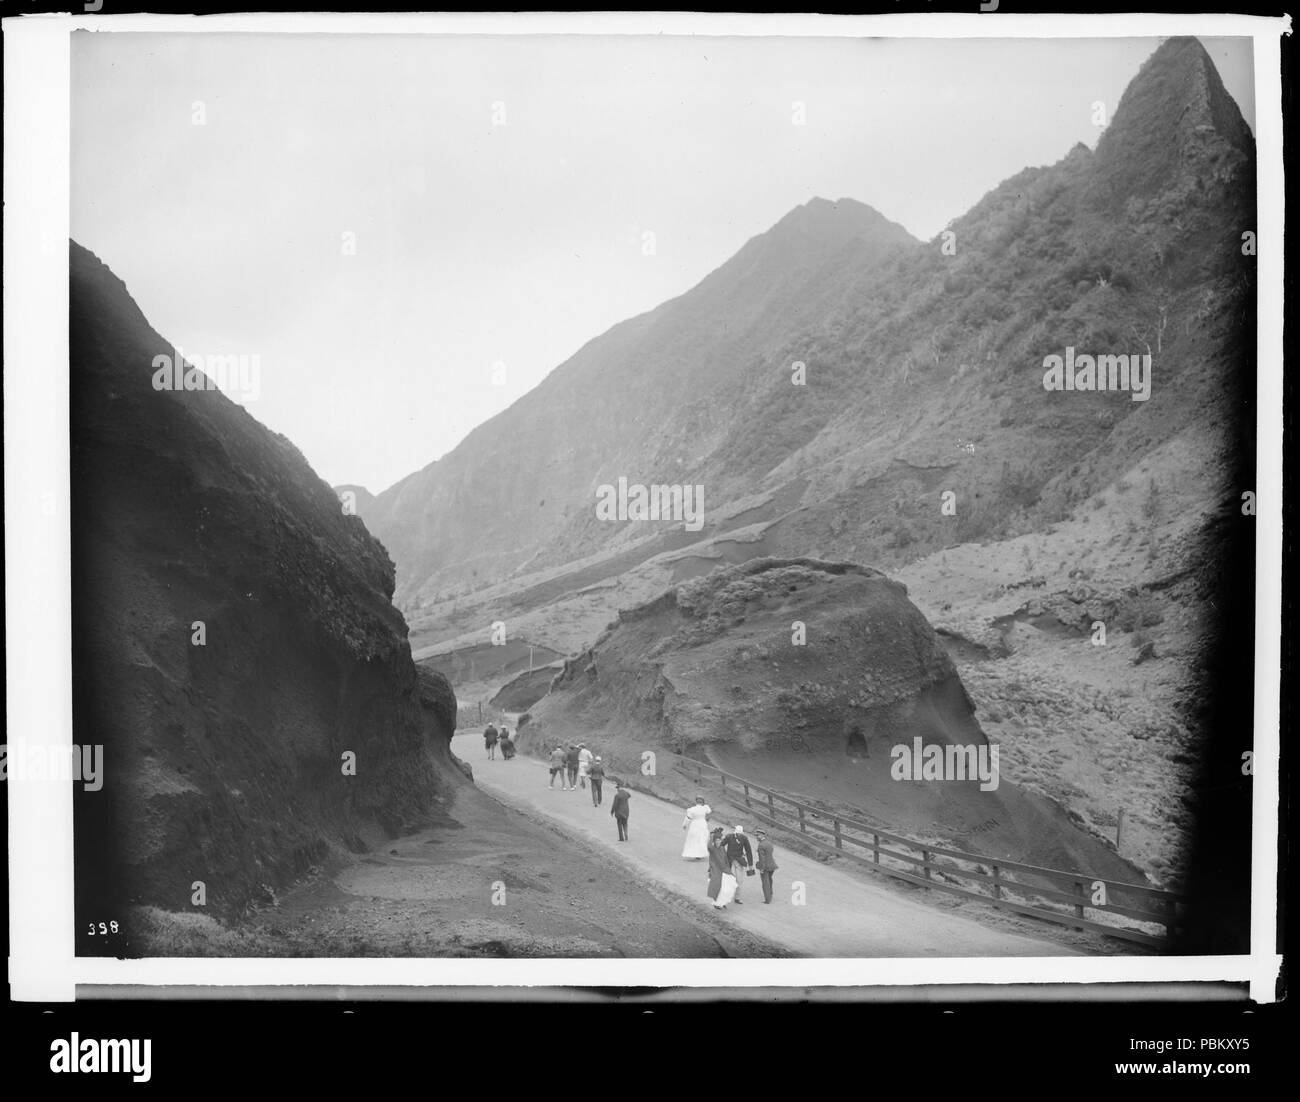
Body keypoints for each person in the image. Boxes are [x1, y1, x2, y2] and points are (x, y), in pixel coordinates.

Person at [723, 825, 754, 905]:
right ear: (735, 832)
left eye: (740, 834)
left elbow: (748, 851)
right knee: (730, 880)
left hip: (739, 861)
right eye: (738, 833)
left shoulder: (744, 838)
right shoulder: (729, 837)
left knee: (739, 881)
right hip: (730, 861)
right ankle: (726, 897)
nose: (739, 835)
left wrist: (750, 864)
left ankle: (737, 898)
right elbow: (721, 845)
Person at [707, 828, 736, 908]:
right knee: (718, 887)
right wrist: (711, 837)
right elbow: (709, 846)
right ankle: (717, 903)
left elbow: (725, 858)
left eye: (719, 840)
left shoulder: (722, 848)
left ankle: (723, 902)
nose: (718, 842)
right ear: (714, 841)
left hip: (725, 869)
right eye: (716, 840)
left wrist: (728, 868)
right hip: (716, 870)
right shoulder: (712, 849)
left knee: (727, 887)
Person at [755, 829, 778, 904]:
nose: (756, 837)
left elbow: (762, 859)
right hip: (772, 865)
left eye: (757, 835)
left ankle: (767, 899)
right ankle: (770, 893)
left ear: (762, 835)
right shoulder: (769, 843)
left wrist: (762, 868)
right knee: (770, 880)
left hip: (765, 866)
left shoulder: (761, 845)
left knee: (765, 883)